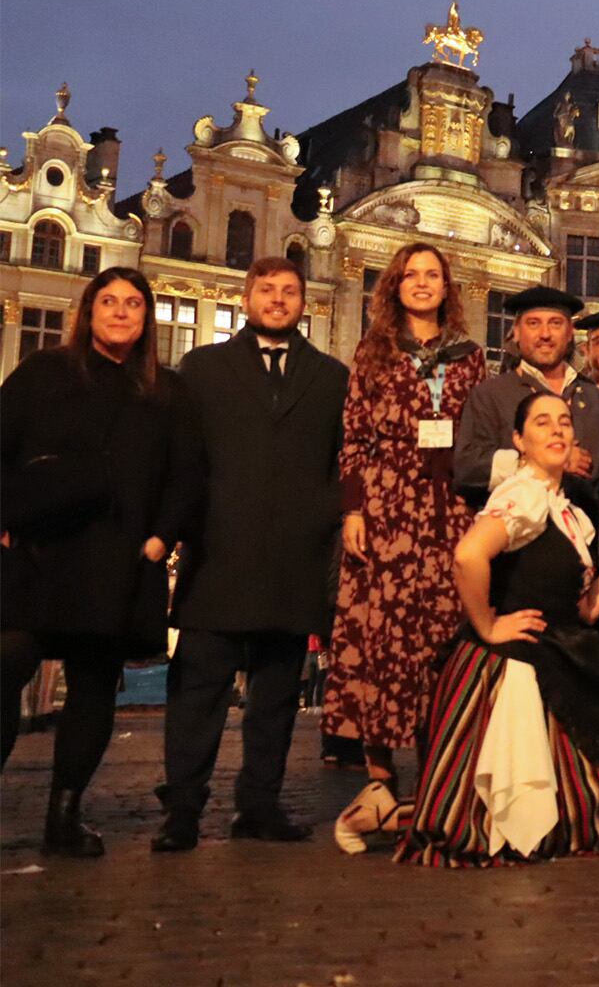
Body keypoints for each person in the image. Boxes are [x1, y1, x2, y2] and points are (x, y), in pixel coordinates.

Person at [397, 393, 599, 867]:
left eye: (564, 422)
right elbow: (467, 555)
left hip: (558, 651)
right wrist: (488, 624)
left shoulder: (567, 508)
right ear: (519, 440)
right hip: (513, 662)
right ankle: (385, 812)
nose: (558, 430)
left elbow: (583, 610)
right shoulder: (522, 494)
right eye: (543, 423)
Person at [155, 257, 350, 852]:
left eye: (289, 291)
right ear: (247, 298)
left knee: (275, 697)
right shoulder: (203, 367)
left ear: (303, 303)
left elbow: (339, 464)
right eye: (267, 289)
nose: (278, 299)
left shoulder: (330, 376)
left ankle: (259, 804)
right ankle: (182, 808)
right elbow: (183, 458)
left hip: (294, 558)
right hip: (218, 553)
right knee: (198, 695)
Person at [0, 268, 190, 856]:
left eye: (133, 304)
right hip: (37, 553)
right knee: (7, 665)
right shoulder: (42, 372)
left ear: (146, 318)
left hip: (115, 562)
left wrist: (161, 538)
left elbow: (185, 475)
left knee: (92, 688)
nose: (120, 313)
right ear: (88, 310)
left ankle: (64, 814)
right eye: (108, 301)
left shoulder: (164, 390)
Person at [325, 243, 487, 854]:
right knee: (381, 635)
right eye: (411, 275)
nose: (422, 284)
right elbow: (354, 435)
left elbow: (480, 430)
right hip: (389, 503)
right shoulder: (374, 351)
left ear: (448, 288)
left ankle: (436, 781)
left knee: (440, 636)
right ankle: (379, 779)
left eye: (433, 275)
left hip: (449, 507)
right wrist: (354, 508)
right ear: (394, 287)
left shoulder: (471, 358)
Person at [452, 286, 599, 506]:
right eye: (533, 323)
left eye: (555, 323)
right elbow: (468, 469)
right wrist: (543, 462)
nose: (545, 334)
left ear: (569, 334)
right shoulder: (489, 395)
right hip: (517, 534)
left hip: (588, 533)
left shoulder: (598, 400)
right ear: (516, 332)